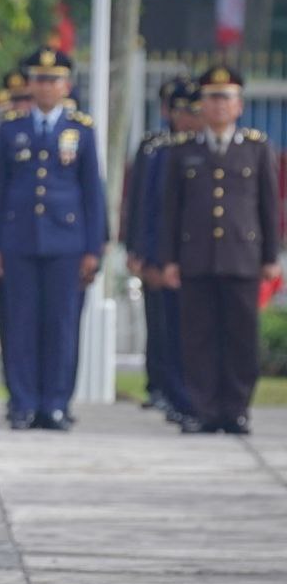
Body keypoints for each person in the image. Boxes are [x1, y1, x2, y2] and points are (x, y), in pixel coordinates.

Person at [0, 48, 106, 431]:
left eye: (54, 80)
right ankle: (23, 402)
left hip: (67, 243)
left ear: (66, 85)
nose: (46, 86)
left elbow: (92, 194)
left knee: (62, 326)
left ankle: (55, 403)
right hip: (17, 241)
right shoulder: (9, 130)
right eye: (39, 78)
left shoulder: (81, 130)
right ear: (29, 83)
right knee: (20, 326)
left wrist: (92, 249)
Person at [160, 65, 281, 434]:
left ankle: (236, 409)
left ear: (239, 105)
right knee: (198, 338)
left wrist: (271, 258)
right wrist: (167, 260)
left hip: (242, 258)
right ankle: (204, 409)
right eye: (211, 98)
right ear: (202, 105)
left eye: (225, 98)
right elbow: (171, 211)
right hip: (196, 257)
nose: (218, 106)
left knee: (241, 338)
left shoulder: (257, 149)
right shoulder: (184, 152)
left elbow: (268, 207)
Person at [139, 79, 202, 426]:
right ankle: (176, 395)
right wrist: (148, 255)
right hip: (170, 256)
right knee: (170, 329)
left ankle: (205, 399)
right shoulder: (161, 151)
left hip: (207, 256)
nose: (189, 119)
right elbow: (149, 208)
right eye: (182, 111)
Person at [125, 77, 186, 413]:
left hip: (191, 252)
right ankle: (158, 384)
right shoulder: (155, 148)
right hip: (155, 249)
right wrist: (136, 249)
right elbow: (141, 203)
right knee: (159, 323)